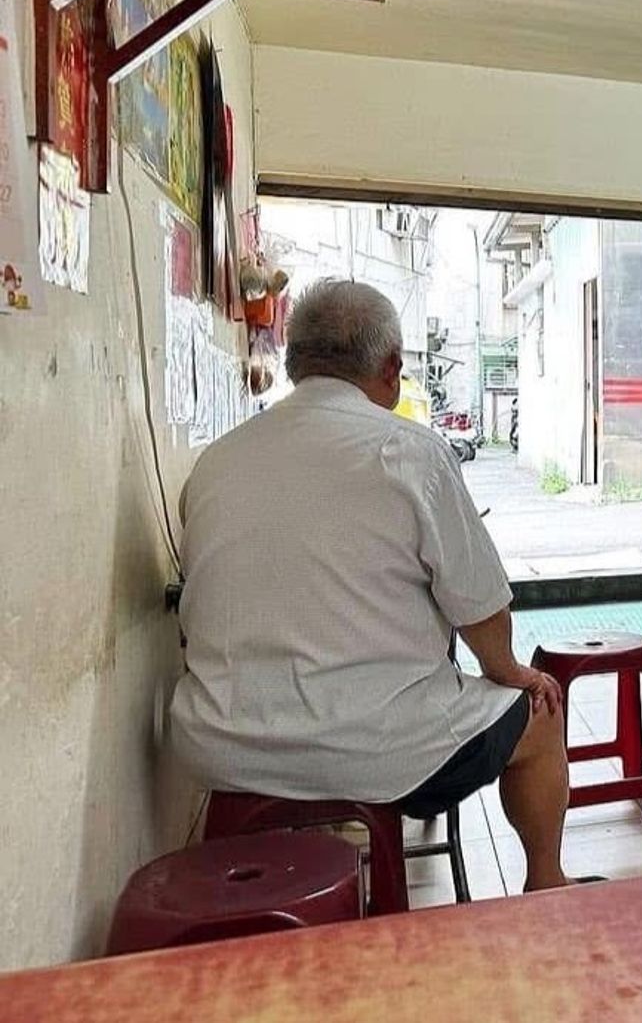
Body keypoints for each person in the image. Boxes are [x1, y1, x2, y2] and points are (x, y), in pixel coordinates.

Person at [170, 279, 577, 892]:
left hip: (223, 747)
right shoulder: (411, 452)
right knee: (541, 714)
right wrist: (509, 671)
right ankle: (547, 884)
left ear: (294, 361)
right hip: (375, 752)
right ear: (391, 369)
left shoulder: (216, 461)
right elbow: (481, 608)